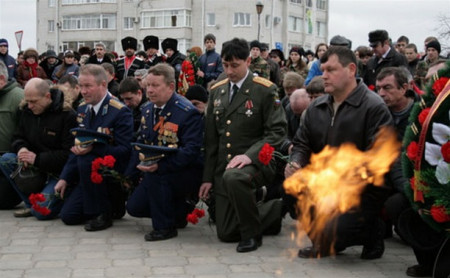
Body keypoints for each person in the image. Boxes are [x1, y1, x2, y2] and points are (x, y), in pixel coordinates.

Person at [285, 46, 393, 260]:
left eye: (331, 70)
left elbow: (378, 159)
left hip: (362, 189)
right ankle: (323, 241)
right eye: (323, 69)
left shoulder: (373, 107)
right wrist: (296, 163)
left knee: (337, 227)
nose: (323, 75)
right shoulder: (316, 108)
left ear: (351, 69)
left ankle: (371, 232)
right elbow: (301, 143)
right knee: (290, 191)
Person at [199, 38, 287, 253]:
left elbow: (277, 132)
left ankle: (252, 235)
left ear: (248, 61)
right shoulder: (217, 91)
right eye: (225, 65)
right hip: (224, 167)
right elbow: (211, 141)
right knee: (226, 232)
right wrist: (208, 178)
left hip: (258, 161)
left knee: (235, 177)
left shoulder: (265, 90)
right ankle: (274, 211)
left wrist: (250, 156)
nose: (229, 71)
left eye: (235, 65)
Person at [125, 63, 204, 241]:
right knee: (134, 207)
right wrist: (129, 175)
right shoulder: (147, 109)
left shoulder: (186, 112)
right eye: (147, 86)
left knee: (156, 179)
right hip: (156, 168)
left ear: (170, 87)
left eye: (155, 86)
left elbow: (190, 152)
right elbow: (141, 142)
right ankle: (177, 212)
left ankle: (165, 227)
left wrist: (160, 166)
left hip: (183, 170)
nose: (150, 91)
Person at [54, 64, 133, 231]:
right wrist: (64, 177)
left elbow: (125, 150)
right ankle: (110, 207)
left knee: (87, 159)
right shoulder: (82, 109)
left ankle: (103, 213)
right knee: (69, 216)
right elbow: (77, 148)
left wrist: (93, 150)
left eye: (88, 86)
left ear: (103, 85)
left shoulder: (119, 111)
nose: (83, 91)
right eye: (81, 86)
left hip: (110, 172)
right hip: (88, 173)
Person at [0, 78, 77, 219]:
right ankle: (31, 203)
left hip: (58, 172)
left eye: (33, 102)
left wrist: (38, 159)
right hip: (34, 168)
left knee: (42, 213)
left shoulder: (67, 115)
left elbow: (69, 154)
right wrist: (21, 149)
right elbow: (17, 137)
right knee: (6, 160)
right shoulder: (26, 111)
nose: (29, 106)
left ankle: (52, 200)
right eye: (27, 101)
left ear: (47, 97)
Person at [375, 67, 419, 238]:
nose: (381, 93)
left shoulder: (422, 114)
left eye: (387, 88)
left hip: (412, 178)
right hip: (386, 174)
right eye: (378, 88)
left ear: (404, 88)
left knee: (396, 204)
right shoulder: (378, 113)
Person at [0, 61, 24, 209]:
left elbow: (27, 134)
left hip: (8, 161)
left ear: (2, 79)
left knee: (3, 201)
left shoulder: (19, 97)